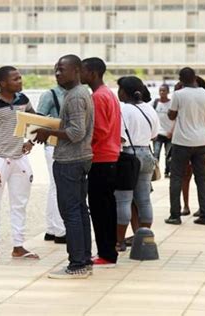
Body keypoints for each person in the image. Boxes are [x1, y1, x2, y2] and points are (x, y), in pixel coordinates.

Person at [33, 55, 94, 279]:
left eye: (62, 69)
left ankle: (77, 263)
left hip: (71, 160)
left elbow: (77, 132)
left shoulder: (76, 96)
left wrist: (49, 132)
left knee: (72, 213)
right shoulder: (77, 94)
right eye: (55, 70)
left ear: (77, 70)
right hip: (78, 159)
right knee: (79, 211)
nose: (57, 74)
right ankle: (84, 260)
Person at [0, 66, 38, 261]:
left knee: (20, 203)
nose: (20, 81)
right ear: (3, 83)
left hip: (20, 159)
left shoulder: (23, 99)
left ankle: (18, 247)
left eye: (20, 78)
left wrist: (30, 141)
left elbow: (34, 122)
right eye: (15, 79)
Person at [81, 57, 121, 265]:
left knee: (99, 208)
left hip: (101, 157)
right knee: (107, 206)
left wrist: (78, 137)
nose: (79, 74)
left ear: (93, 73)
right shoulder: (109, 93)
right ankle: (108, 250)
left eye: (83, 71)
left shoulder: (97, 97)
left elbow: (100, 130)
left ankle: (106, 253)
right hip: (111, 155)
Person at [165, 68, 205, 226]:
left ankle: (175, 215)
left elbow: (171, 116)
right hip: (201, 142)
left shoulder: (178, 94)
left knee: (176, 178)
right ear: (195, 78)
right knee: (201, 179)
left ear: (180, 79)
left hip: (182, 143)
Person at [114, 76, 159, 250]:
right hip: (147, 154)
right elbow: (154, 135)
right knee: (144, 200)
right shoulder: (149, 109)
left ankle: (119, 242)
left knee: (123, 200)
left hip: (128, 156)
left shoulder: (123, 109)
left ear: (124, 92)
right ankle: (144, 238)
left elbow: (120, 138)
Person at [36, 65, 66, 244]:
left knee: (55, 187)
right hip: (53, 146)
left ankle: (52, 228)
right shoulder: (50, 94)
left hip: (64, 146)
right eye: (57, 72)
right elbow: (38, 121)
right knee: (58, 187)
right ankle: (60, 230)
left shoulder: (78, 92)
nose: (59, 75)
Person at [152, 84, 173, 178]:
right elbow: (151, 118)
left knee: (169, 155)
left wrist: (172, 131)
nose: (162, 92)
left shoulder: (172, 103)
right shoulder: (155, 103)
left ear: (168, 92)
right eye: (160, 90)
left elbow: (177, 118)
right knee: (155, 154)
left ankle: (167, 172)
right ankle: (155, 173)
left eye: (164, 91)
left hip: (169, 134)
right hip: (158, 134)